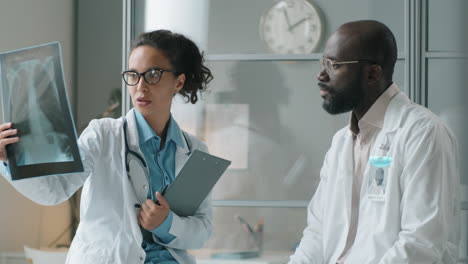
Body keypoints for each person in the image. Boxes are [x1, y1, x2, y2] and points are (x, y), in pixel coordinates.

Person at [0, 29, 214, 264]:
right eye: (133, 75)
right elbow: (55, 191)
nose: (140, 86)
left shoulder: (196, 152)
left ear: (179, 82)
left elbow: (201, 232)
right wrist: (7, 160)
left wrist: (166, 224)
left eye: (153, 74)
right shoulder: (103, 135)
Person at [288, 20, 459, 263]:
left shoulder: (423, 133)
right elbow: (318, 232)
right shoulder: (340, 143)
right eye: (323, 63)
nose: (322, 75)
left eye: (334, 65)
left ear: (372, 74)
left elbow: (421, 244)